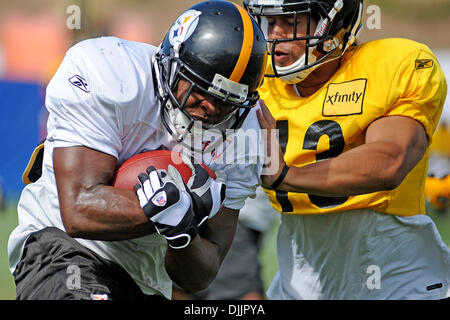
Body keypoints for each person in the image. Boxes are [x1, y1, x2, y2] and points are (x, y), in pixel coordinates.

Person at [8, 0, 268, 300]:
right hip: (64, 248)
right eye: (200, 89)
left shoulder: (244, 132)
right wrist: (168, 207)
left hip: (146, 278)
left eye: (226, 102)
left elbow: (201, 276)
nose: (210, 107)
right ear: (172, 63)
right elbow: (78, 209)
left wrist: (183, 233)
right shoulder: (110, 71)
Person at [245, 0, 450, 299]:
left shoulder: (392, 65)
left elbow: (389, 162)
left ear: (335, 23)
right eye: (269, 21)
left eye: (292, 22)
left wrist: (286, 176)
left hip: (401, 282)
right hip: (299, 287)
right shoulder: (255, 81)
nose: (275, 34)